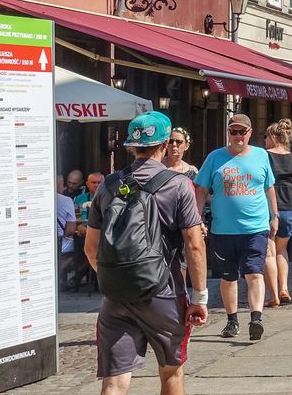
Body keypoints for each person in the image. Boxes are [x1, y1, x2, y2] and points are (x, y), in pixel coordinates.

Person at [86, 111, 208, 395]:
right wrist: (200, 297)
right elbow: (194, 244)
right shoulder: (178, 184)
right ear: (164, 144)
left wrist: (119, 277)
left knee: (114, 382)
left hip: (116, 296)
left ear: (132, 146)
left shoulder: (108, 185)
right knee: (171, 372)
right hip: (163, 291)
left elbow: (91, 247)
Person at [194, 113, 277, 340]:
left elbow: (269, 187)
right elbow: (201, 189)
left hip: (255, 227)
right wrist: (197, 218)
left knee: (254, 273)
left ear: (250, 133)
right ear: (228, 133)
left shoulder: (261, 155)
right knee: (228, 277)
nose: (238, 136)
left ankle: (256, 319)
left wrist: (275, 215)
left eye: (242, 132)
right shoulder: (215, 158)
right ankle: (232, 321)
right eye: (234, 132)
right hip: (223, 230)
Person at [263, 120, 292, 306]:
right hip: (290, 206)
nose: (264, 140)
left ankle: (273, 295)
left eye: (266, 137)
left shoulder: (264, 156)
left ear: (273, 137)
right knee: (282, 250)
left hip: (268, 208)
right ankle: (284, 288)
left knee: (269, 252)